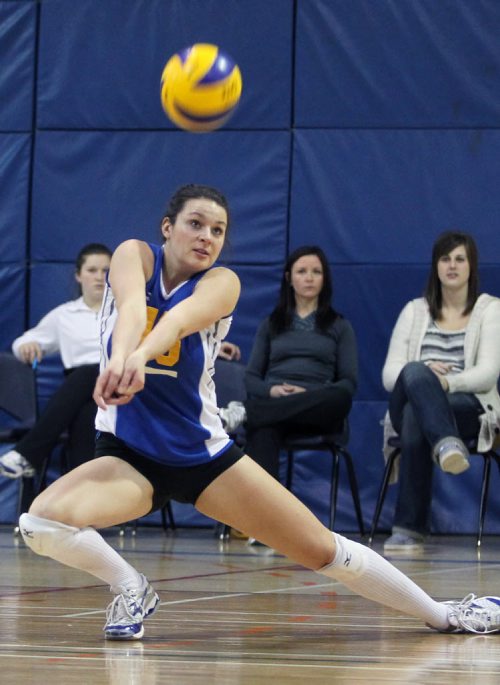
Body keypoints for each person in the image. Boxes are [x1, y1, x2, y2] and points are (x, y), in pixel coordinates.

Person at [17, 187, 500, 641]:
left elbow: (180, 321)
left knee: (322, 549)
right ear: (167, 227)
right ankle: (130, 586)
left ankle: (447, 614)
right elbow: (127, 308)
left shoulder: (221, 282)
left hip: (204, 458)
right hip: (128, 456)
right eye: (195, 224)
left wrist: (139, 360)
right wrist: (122, 359)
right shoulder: (133, 254)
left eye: (218, 230)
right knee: (41, 524)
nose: (207, 236)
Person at [382, 231, 500, 553]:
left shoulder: (490, 310)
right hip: (413, 398)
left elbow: (488, 373)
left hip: (470, 409)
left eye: (459, 259)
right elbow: (390, 374)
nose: (452, 265)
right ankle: (447, 444)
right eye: (445, 259)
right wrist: (423, 375)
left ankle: (409, 530)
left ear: (471, 266)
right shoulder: (414, 310)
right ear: (435, 266)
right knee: (414, 370)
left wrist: (445, 383)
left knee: (414, 415)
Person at [221, 245, 356, 484]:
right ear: (289, 278)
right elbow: (251, 378)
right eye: (302, 271)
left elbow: (348, 382)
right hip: (274, 407)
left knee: (341, 397)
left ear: (324, 279)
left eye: (316, 272)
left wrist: (308, 394)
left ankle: (246, 412)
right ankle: (263, 519)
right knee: (262, 431)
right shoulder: (271, 324)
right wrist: (272, 391)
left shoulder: (339, 326)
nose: (309, 278)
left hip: (318, 411)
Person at [0, 243, 112, 479]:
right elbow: (22, 343)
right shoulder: (64, 315)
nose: (99, 277)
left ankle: (28, 454)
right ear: (78, 275)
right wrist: (26, 347)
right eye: (92, 270)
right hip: (83, 394)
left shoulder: (124, 310)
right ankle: (90, 506)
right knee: (85, 414)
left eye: (106, 270)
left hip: (119, 389)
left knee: (89, 373)